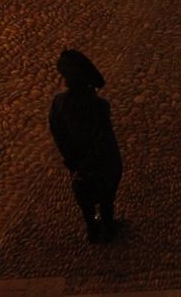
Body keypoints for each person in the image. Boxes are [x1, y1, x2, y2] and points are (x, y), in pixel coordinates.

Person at [49, 49, 124, 244]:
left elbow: (58, 133)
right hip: (101, 162)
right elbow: (104, 139)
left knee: (83, 191)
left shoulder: (58, 103)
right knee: (106, 192)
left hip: (76, 159)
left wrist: (73, 161)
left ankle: (91, 227)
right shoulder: (100, 106)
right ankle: (108, 226)